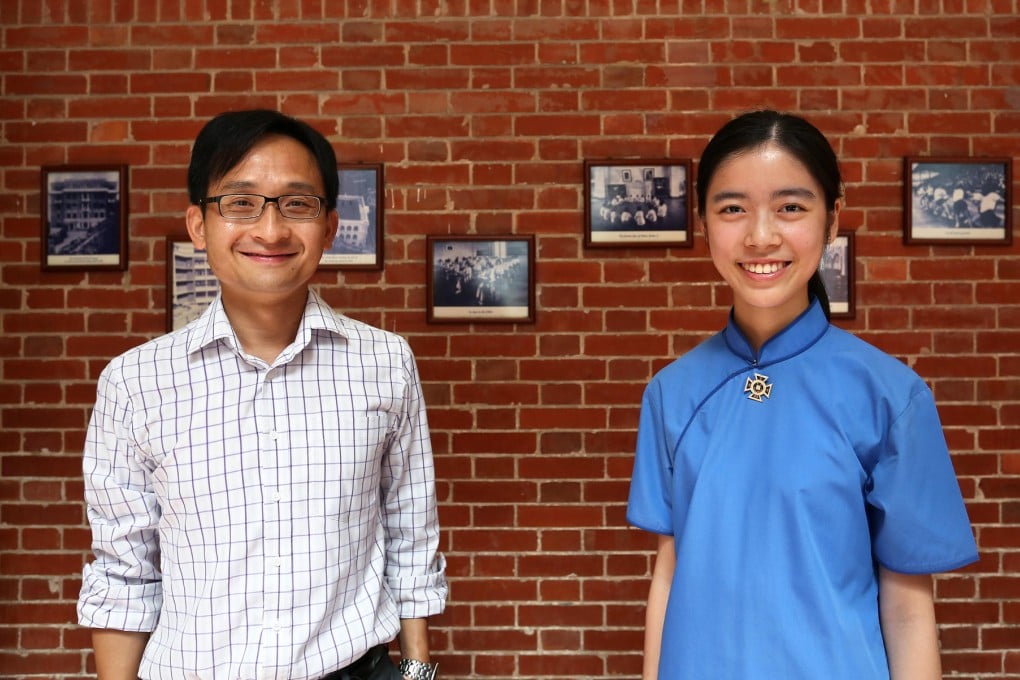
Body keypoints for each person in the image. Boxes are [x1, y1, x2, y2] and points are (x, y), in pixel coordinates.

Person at [78, 109, 447, 680]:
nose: (270, 231)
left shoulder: (386, 363)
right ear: (199, 225)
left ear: (328, 227)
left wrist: (419, 671)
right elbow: (124, 573)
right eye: (240, 203)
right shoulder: (135, 383)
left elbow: (410, 531)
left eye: (297, 204)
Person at [627, 110, 978, 680]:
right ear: (703, 222)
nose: (760, 235)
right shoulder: (672, 393)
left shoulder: (892, 396)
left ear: (832, 219)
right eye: (732, 208)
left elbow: (909, 610)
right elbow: (670, 571)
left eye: (791, 207)